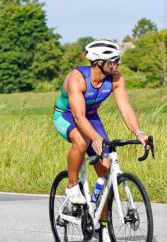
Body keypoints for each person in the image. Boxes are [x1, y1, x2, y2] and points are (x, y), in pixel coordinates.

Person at [53, 39, 149, 209]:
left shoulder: (116, 79)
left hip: (91, 117)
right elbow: (78, 117)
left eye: (119, 59)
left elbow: (125, 109)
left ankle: (103, 227)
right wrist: (95, 137)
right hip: (67, 116)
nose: (119, 64)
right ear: (99, 63)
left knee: (105, 175)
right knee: (82, 141)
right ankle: (72, 185)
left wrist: (139, 133)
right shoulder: (77, 78)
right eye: (115, 60)